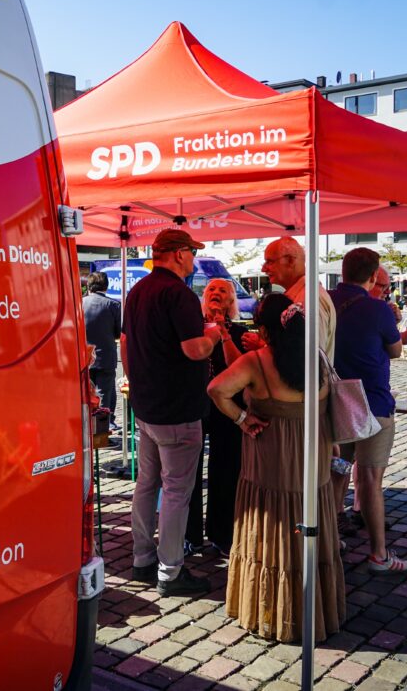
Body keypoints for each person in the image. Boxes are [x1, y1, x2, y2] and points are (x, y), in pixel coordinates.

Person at [208, 295, 345, 642]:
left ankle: (271, 609)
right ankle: (312, 607)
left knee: (274, 525)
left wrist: (241, 418)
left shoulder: (256, 361)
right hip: (314, 459)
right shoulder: (318, 359)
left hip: (269, 460)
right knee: (306, 524)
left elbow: (216, 389)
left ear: (265, 330)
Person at [121, 228, 223, 597]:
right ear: (179, 254)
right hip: (177, 409)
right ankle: (170, 571)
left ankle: (142, 559)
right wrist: (213, 334)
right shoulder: (177, 293)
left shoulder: (138, 290)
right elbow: (195, 350)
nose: (194, 260)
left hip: (147, 406)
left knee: (147, 484)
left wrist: (137, 381)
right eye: (192, 253)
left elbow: (125, 344)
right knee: (177, 491)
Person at [330, 249, 407, 572]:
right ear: (372, 276)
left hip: (337, 400)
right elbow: (395, 351)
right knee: (369, 478)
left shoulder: (325, 301)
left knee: (338, 467)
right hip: (374, 403)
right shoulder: (378, 309)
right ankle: (379, 553)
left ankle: (332, 533)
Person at [200, 278, 249, 556]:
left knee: (225, 468)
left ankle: (222, 532)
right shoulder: (192, 328)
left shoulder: (240, 331)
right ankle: (190, 534)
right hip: (195, 405)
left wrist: (223, 332)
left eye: (223, 291)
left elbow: (237, 367)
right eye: (211, 290)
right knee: (190, 471)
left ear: (232, 301)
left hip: (227, 408)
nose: (216, 294)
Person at [261, 237, 336, 360]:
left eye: (269, 262)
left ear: (290, 260)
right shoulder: (304, 295)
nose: (264, 269)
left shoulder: (310, 299)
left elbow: (311, 359)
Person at [83, 271, 121, 431]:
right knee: (105, 393)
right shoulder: (113, 305)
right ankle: (103, 428)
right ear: (106, 286)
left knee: (85, 394)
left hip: (84, 356)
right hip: (105, 355)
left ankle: (88, 426)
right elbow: (118, 332)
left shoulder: (79, 303)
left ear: (88, 286)